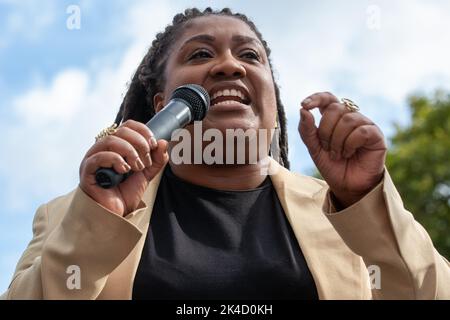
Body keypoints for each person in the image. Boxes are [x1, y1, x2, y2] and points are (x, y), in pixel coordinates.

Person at [2, 7, 449, 300]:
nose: (230, 65)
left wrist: (367, 202)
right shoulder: (73, 216)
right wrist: (95, 227)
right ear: (161, 104)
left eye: (250, 56)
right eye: (200, 53)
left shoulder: (346, 215)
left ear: (272, 98)